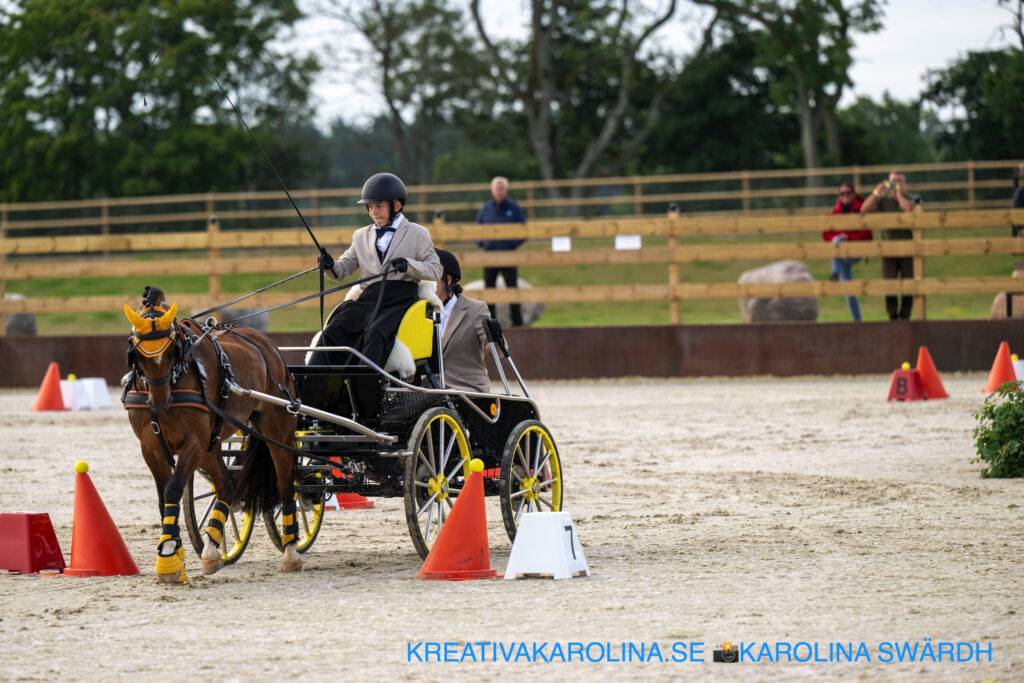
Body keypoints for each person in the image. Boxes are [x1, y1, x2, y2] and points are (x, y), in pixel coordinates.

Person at [309, 172, 442, 367]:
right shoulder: (360, 235)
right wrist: (329, 265)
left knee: (376, 333)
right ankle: (315, 378)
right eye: (370, 207)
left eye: (379, 206)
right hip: (368, 299)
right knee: (334, 330)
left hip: (399, 300)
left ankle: (366, 381)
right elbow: (342, 270)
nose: (373, 212)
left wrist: (408, 265)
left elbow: (435, 269)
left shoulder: (418, 233)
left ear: (397, 205)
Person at [861, 170, 917, 320]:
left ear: (904, 183)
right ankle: (892, 316)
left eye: (899, 181)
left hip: (909, 249)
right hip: (888, 249)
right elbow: (864, 210)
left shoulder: (913, 198)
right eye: (893, 182)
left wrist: (898, 194)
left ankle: (905, 317)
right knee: (889, 284)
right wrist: (876, 192)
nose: (895, 185)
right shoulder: (883, 201)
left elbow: (909, 209)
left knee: (908, 285)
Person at [435, 250, 492, 393]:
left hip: (467, 389)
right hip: (430, 390)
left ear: (448, 280)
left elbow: (496, 351)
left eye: (430, 278)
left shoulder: (476, 309)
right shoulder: (417, 311)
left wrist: (495, 337)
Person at [476, 176, 527, 326]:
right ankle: (490, 324)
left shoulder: (514, 208)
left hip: (508, 255)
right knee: (489, 289)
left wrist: (513, 244)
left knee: (512, 289)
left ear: (506, 190)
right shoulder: (486, 209)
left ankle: (517, 323)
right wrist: (483, 244)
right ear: (492, 190)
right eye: (497, 189)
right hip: (490, 255)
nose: (499, 191)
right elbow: (476, 229)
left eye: (502, 189)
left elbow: (524, 230)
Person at [823, 181, 871, 322]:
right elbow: (826, 234)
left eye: (848, 193)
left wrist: (848, 238)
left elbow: (867, 235)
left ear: (854, 194)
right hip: (841, 254)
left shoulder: (862, 209)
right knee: (849, 291)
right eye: (842, 193)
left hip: (856, 251)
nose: (845, 196)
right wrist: (839, 237)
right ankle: (857, 321)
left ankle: (835, 272)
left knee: (837, 242)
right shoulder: (834, 212)